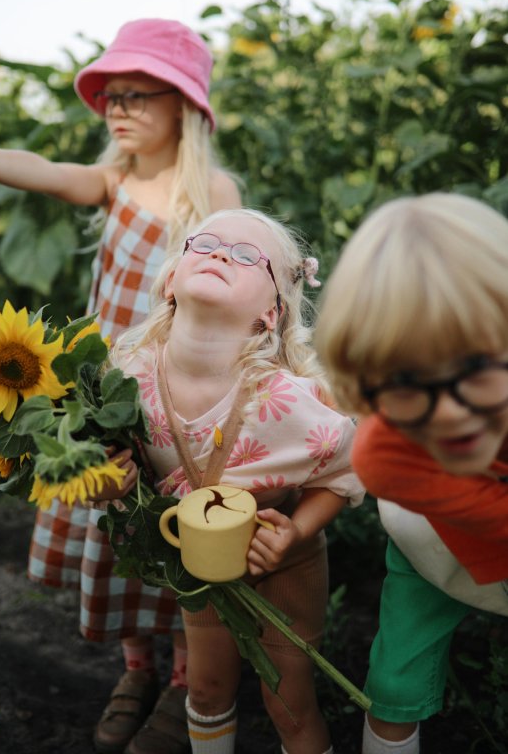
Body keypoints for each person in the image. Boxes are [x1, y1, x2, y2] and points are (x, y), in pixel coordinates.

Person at [0, 18, 241, 754]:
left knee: (172, 536)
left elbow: (239, 285)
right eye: (111, 95)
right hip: (102, 394)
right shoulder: (116, 179)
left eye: (139, 94)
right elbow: (50, 171)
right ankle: (136, 671)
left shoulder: (210, 189)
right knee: (120, 534)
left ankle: (185, 683)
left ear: (184, 105)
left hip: (175, 390)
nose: (118, 108)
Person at [96, 206, 365, 754]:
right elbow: (115, 460)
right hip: (201, 570)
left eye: (247, 256)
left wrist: (295, 531)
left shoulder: (283, 400)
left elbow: (348, 468)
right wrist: (106, 479)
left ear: (271, 312)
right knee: (207, 688)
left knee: (288, 705)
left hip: (282, 562)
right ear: (172, 279)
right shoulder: (128, 374)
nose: (221, 253)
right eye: (206, 243)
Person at [314, 192, 508, 754]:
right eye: (404, 385)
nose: (448, 412)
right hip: (437, 541)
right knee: (394, 678)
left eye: (474, 367)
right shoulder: (386, 457)